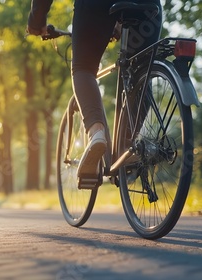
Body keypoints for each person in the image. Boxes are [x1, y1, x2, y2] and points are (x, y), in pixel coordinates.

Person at [27, 0, 162, 180]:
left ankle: (97, 134)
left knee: (84, 68)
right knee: (141, 73)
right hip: (148, 6)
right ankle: (126, 149)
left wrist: (37, 21)